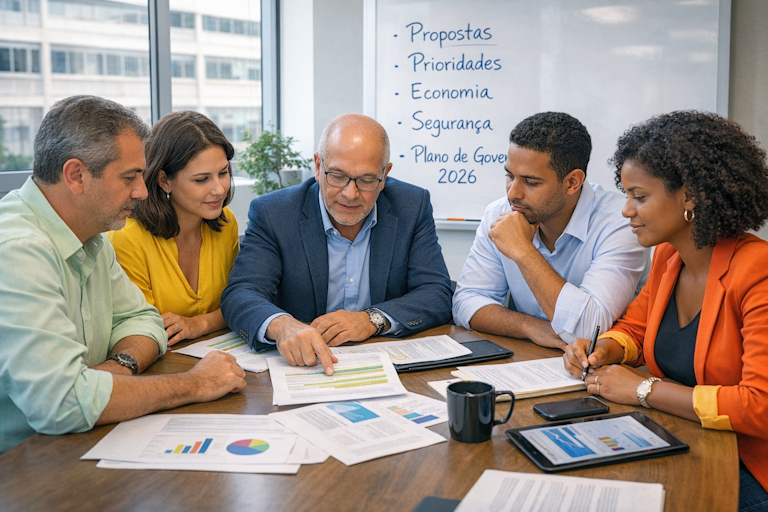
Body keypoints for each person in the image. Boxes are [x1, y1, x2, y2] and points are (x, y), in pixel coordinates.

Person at [0, 95, 246, 455]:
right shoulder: (18, 249)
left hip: (82, 443)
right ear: (76, 176)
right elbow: (64, 403)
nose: (142, 191)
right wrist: (195, 384)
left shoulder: (91, 236)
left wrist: (119, 366)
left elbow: (143, 319)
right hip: (25, 464)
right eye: (130, 177)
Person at [563, 111, 768, 511]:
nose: (626, 210)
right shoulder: (669, 257)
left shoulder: (757, 271)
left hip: (746, 468)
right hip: (684, 438)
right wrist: (604, 349)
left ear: (690, 195)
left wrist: (643, 390)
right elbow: (636, 331)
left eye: (639, 197)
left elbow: (759, 405)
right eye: (626, 195)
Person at [222, 114, 452, 375]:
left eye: (366, 180)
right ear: (318, 166)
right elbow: (241, 293)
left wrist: (371, 319)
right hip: (304, 368)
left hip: (384, 366)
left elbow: (436, 292)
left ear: (385, 175)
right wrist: (283, 325)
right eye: (338, 176)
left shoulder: (412, 206)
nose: (350, 194)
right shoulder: (275, 213)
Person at [452, 112, 649, 349]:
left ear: (572, 182)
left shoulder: (622, 221)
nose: (513, 193)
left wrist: (524, 252)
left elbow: (589, 329)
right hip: (535, 360)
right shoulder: (500, 213)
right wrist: (530, 326)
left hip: (609, 371)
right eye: (509, 175)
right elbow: (465, 302)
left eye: (531, 182)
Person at [108, 111, 239, 345]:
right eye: (201, 179)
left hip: (220, 355)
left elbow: (241, 302)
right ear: (164, 181)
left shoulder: (225, 222)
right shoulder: (127, 238)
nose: (219, 189)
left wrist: (199, 324)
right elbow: (144, 328)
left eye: (223, 173)